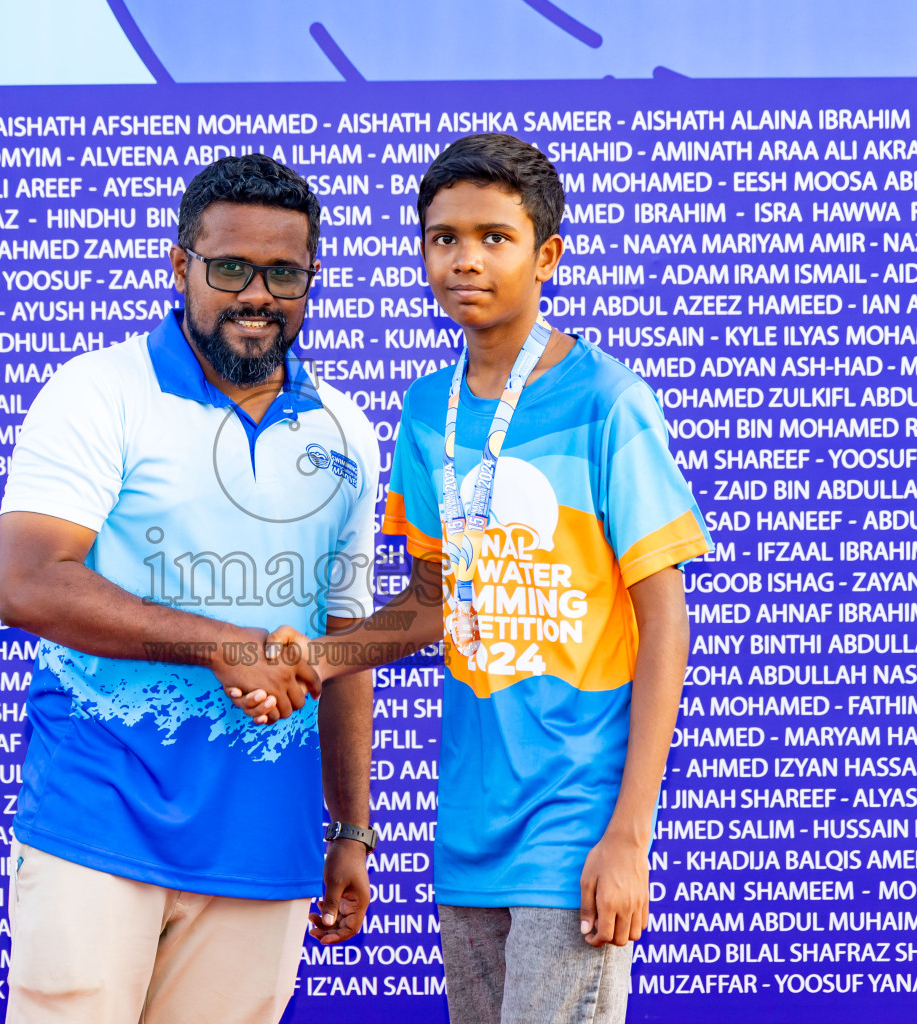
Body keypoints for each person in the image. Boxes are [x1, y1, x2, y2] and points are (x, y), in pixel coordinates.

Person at [274, 133, 712, 1024]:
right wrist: (315, 658)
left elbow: (665, 618)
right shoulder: (426, 407)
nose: (465, 258)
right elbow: (436, 601)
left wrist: (629, 834)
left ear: (546, 254)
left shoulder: (606, 401)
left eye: (494, 237)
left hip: (574, 824)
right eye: (443, 238)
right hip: (471, 830)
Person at [0, 153, 380, 1024]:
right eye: (231, 267)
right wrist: (217, 643)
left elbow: (347, 643)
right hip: (98, 817)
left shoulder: (345, 429)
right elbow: (28, 585)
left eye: (285, 273)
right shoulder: (99, 391)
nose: (257, 294)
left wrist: (351, 828)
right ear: (181, 267)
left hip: (263, 841)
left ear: (311, 278)